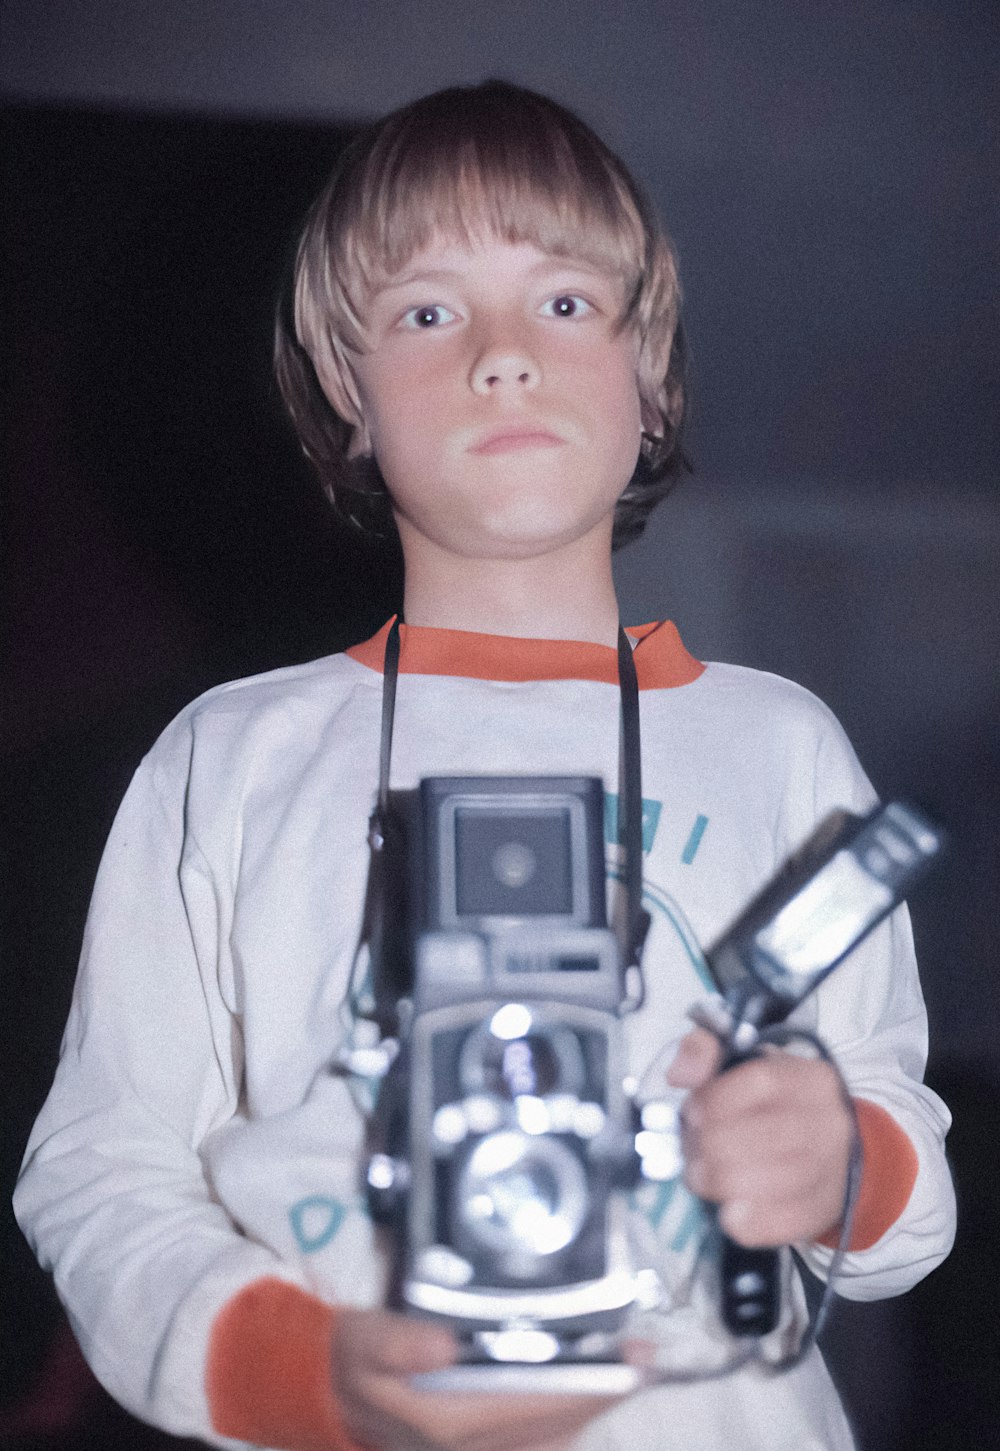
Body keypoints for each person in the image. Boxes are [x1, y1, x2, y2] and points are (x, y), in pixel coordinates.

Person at [14, 81, 954, 1451]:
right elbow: (102, 1172)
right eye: (428, 312)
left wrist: (840, 1163)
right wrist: (308, 1374)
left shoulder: (782, 745)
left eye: (565, 303)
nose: (503, 355)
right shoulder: (231, 759)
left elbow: (898, 1164)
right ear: (348, 394)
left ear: (650, 373)